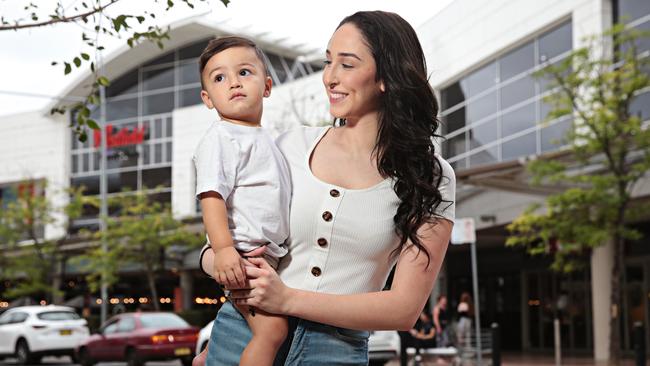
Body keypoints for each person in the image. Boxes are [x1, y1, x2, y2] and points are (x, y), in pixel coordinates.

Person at [197, 10, 456, 365]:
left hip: (333, 351)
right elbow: (216, 246)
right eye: (328, 61)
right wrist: (226, 267)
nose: (329, 78)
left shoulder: (431, 177)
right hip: (243, 334)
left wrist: (287, 299)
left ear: (387, 77)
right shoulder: (285, 145)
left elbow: (404, 309)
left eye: (347, 64)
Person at [193, 36, 291, 366]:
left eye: (244, 73)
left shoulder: (270, 138)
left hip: (266, 256)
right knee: (272, 331)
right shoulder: (221, 137)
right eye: (220, 78)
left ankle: (207, 358)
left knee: (252, 328)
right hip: (242, 256)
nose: (233, 82)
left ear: (266, 86)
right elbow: (212, 196)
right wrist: (223, 250)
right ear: (208, 98)